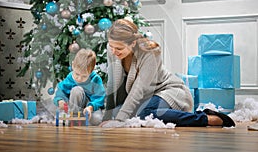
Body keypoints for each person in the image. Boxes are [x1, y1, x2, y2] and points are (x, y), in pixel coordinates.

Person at [100, 18, 235, 128]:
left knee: (145, 113)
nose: (113, 51)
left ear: (133, 43)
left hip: (168, 90)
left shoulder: (149, 53)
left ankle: (207, 118)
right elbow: (113, 84)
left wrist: (118, 121)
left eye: (118, 48)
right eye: (111, 47)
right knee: (121, 111)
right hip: (147, 98)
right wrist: (108, 116)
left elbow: (138, 89)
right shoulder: (113, 49)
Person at [53, 48, 105, 126]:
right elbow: (61, 91)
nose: (79, 79)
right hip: (74, 108)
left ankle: (82, 118)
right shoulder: (70, 78)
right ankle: (74, 117)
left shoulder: (95, 79)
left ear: (91, 71)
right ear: (73, 65)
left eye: (84, 76)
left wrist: (90, 108)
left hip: (89, 108)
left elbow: (99, 98)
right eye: (77, 74)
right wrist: (60, 100)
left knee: (97, 120)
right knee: (76, 90)